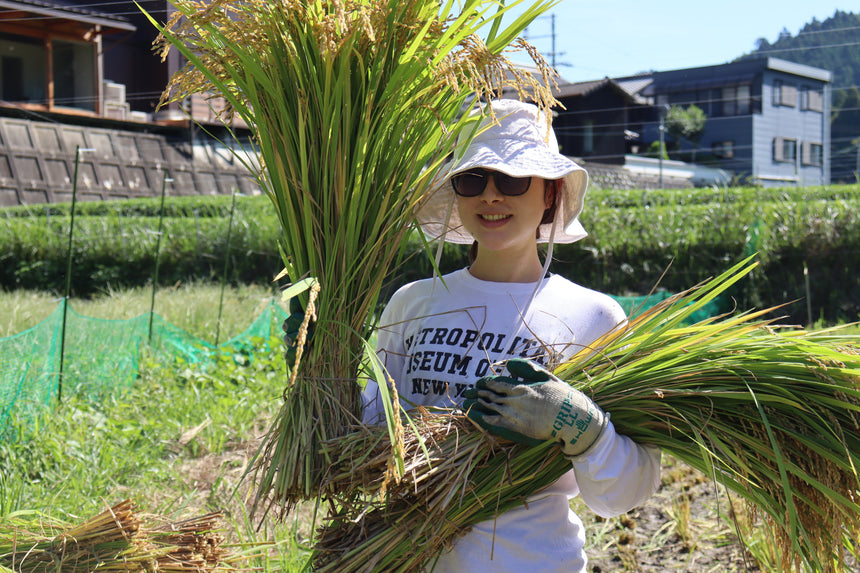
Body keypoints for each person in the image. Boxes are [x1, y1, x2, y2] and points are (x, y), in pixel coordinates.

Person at [361, 99, 661, 573]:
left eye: (513, 179)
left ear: (550, 193)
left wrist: (584, 428)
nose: (490, 195)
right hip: (408, 559)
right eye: (473, 179)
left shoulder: (594, 317)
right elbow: (367, 436)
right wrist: (319, 370)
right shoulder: (412, 303)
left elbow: (625, 494)